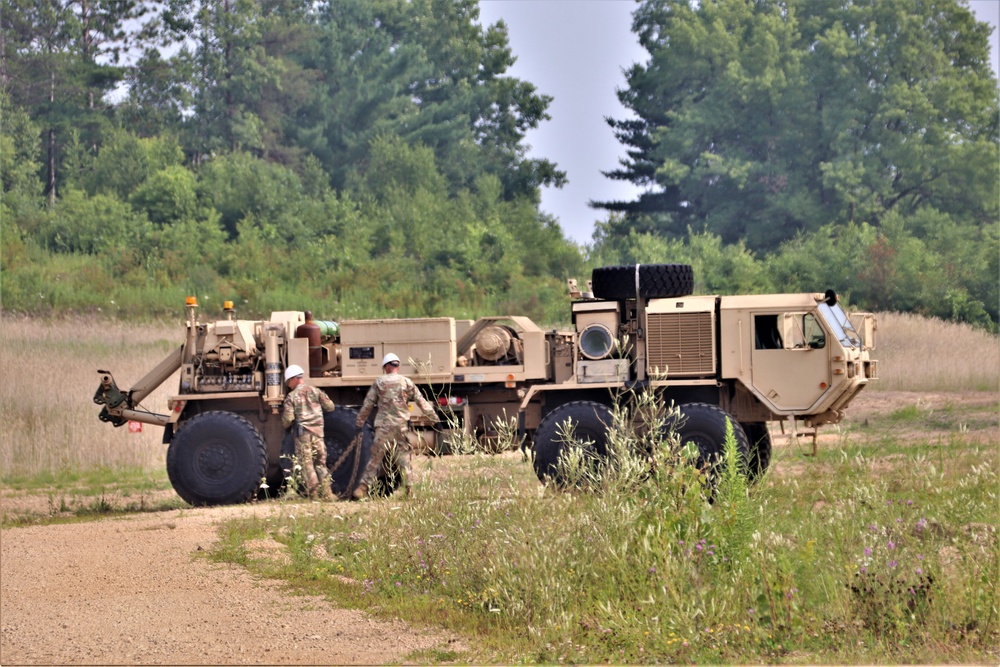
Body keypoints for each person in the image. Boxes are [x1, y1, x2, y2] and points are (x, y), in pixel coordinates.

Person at [353, 353, 437, 499]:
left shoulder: (379, 382)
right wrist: (435, 420)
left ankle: (362, 489)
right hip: (400, 427)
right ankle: (410, 491)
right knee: (403, 459)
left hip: (384, 427)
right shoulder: (406, 382)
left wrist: (359, 423)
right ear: (397, 366)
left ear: (386, 367)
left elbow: (368, 404)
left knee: (375, 458)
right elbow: (421, 401)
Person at [281, 364, 336, 501]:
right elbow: (330, 407)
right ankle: (329, 494)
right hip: (318, 434)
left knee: (307, 465)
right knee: (320, 464)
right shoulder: (316, 391)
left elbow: (288, 419)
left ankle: (314, 495)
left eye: (288, 382)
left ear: (294, 379)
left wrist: (285, 425)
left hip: (303, 435)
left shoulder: (291, 397)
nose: (288, 385)